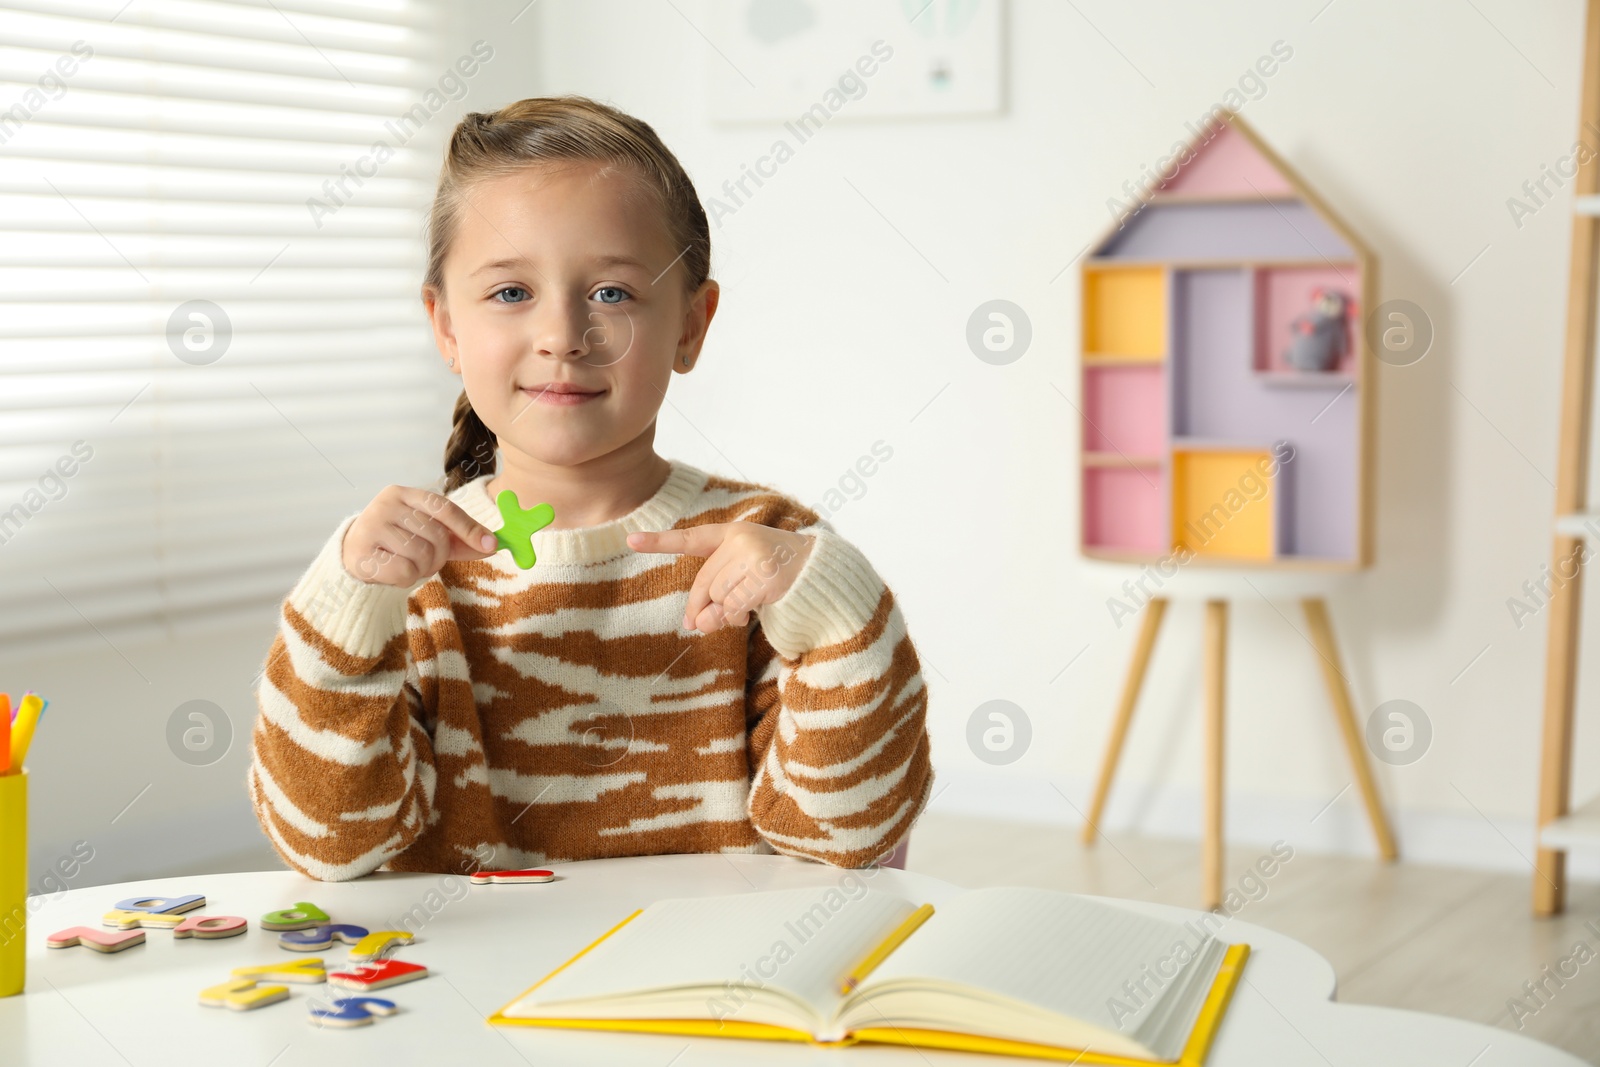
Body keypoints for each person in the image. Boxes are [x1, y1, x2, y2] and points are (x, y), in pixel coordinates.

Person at [248, 95, 933, 881]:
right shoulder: (402, 579)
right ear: (446, 327)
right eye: (511, 293)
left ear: (689, 326)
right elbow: (330, 846)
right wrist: (343, 603)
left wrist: (839, 605)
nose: (561, 335)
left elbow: (844, 834)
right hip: (478, 994)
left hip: (705, 986)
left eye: (612, 293)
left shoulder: (763, 550)